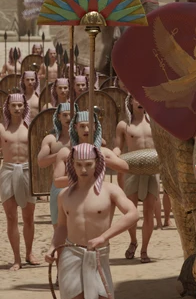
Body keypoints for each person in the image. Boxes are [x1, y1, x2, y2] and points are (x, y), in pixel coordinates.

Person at [46, 144, 139, 299]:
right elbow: (61, 227)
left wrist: (104, 237)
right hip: (71, 256)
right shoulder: (64, 195)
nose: (84, 169)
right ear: (72, 165)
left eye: (88, 164)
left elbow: (132, 214)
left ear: (97, 163)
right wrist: (53, 247)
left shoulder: (110, 190)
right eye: (78, 165)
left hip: (98, 257)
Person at [113, 96, 159, 262]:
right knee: (131, 211)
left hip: (152, 170)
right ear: (131, 101)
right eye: (136, 99)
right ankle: (133, 241)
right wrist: (113, 156)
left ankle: (144, 250)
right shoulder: (124, 125)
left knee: (148, 211)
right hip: (131, 170)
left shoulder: (155, 122)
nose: (140, 102)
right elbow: (118, 147)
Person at [0, 93, 38, 270]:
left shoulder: (31, 127)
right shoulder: (2, 128)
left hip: (27, 170)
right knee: (11, 217)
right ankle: (16, 258)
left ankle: (29, 253)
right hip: (7, 171)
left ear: (24, 106)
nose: (16, 108)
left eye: (20, 105)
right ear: (7, 107)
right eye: (13, 105)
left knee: (28, 216)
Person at [52, 109, 129, 189]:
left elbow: (125, 167)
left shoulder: (102, 151)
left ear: (94, 127)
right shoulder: (66, 152)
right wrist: (82, 178)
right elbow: (57, 182)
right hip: (73, 194)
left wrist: (100, 159)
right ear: (75, 127)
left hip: (96, 194)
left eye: (89, 126)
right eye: (82, 126)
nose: (86, 130)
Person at [37, 102, 72, 231]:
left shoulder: (82, 137)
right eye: (65, 115)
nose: (68, 118)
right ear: (58, 116)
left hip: (79, 184)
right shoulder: (51, 139)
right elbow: (41, 161)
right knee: (58, 227)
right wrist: (61, 154)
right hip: (59, 184)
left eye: (71, 115)